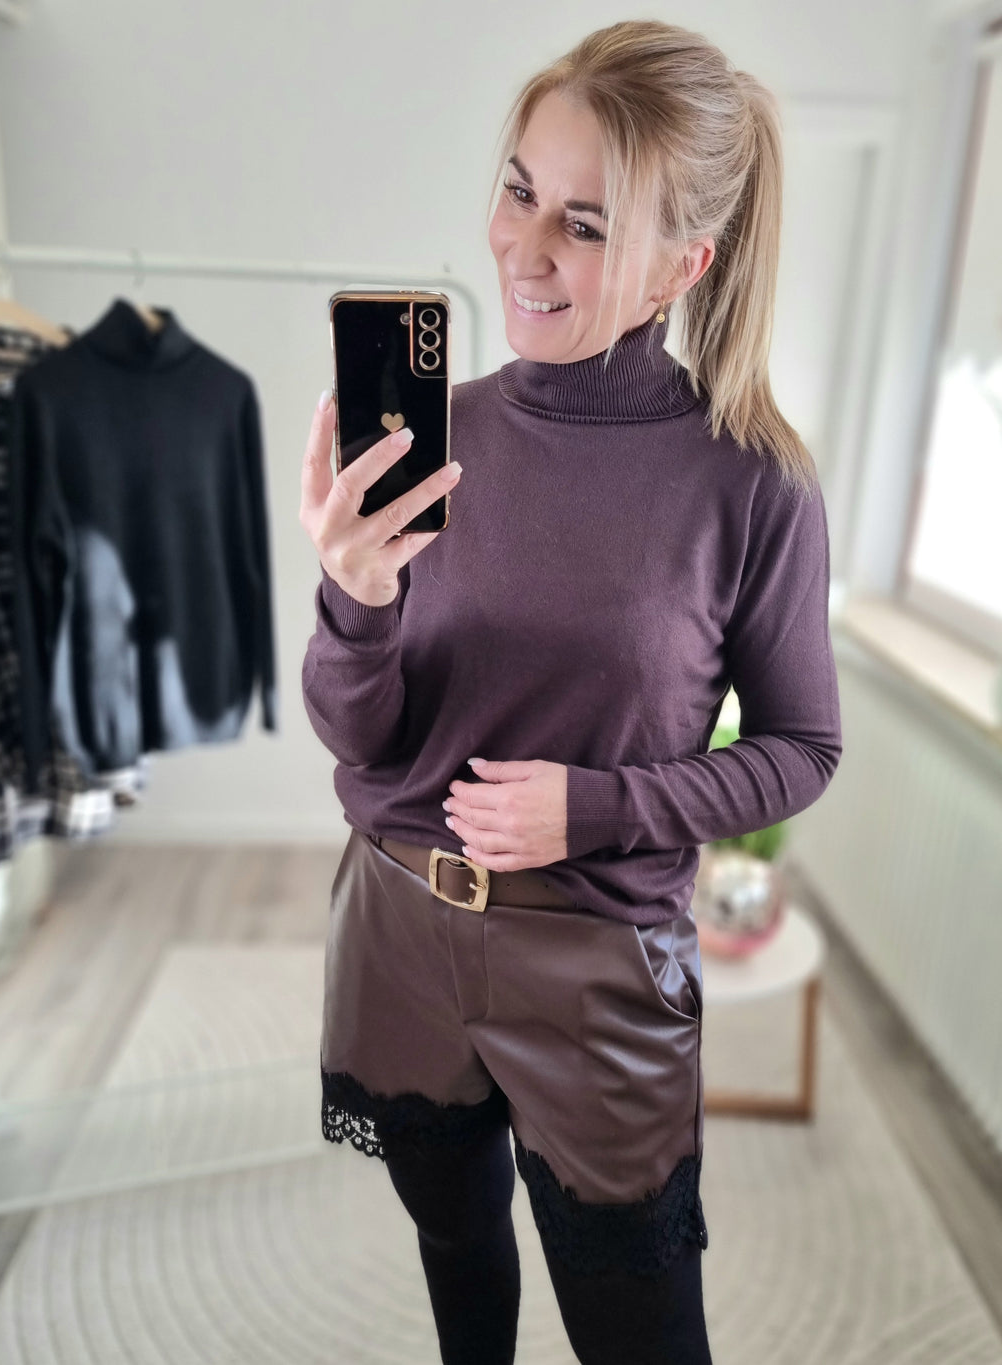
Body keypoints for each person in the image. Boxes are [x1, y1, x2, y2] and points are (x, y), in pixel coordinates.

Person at [299, 18, 841, 1365]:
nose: (524, 249)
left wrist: (592, 808)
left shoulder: (750, 482)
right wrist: (354, 596)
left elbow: (801, 747)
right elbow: (358, 738)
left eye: (586, 226)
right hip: (399, 926)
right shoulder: (436, 436)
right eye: (520, 191)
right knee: (455, 1245)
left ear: (682, 266)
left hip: (598, 960)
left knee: (640, 1331)